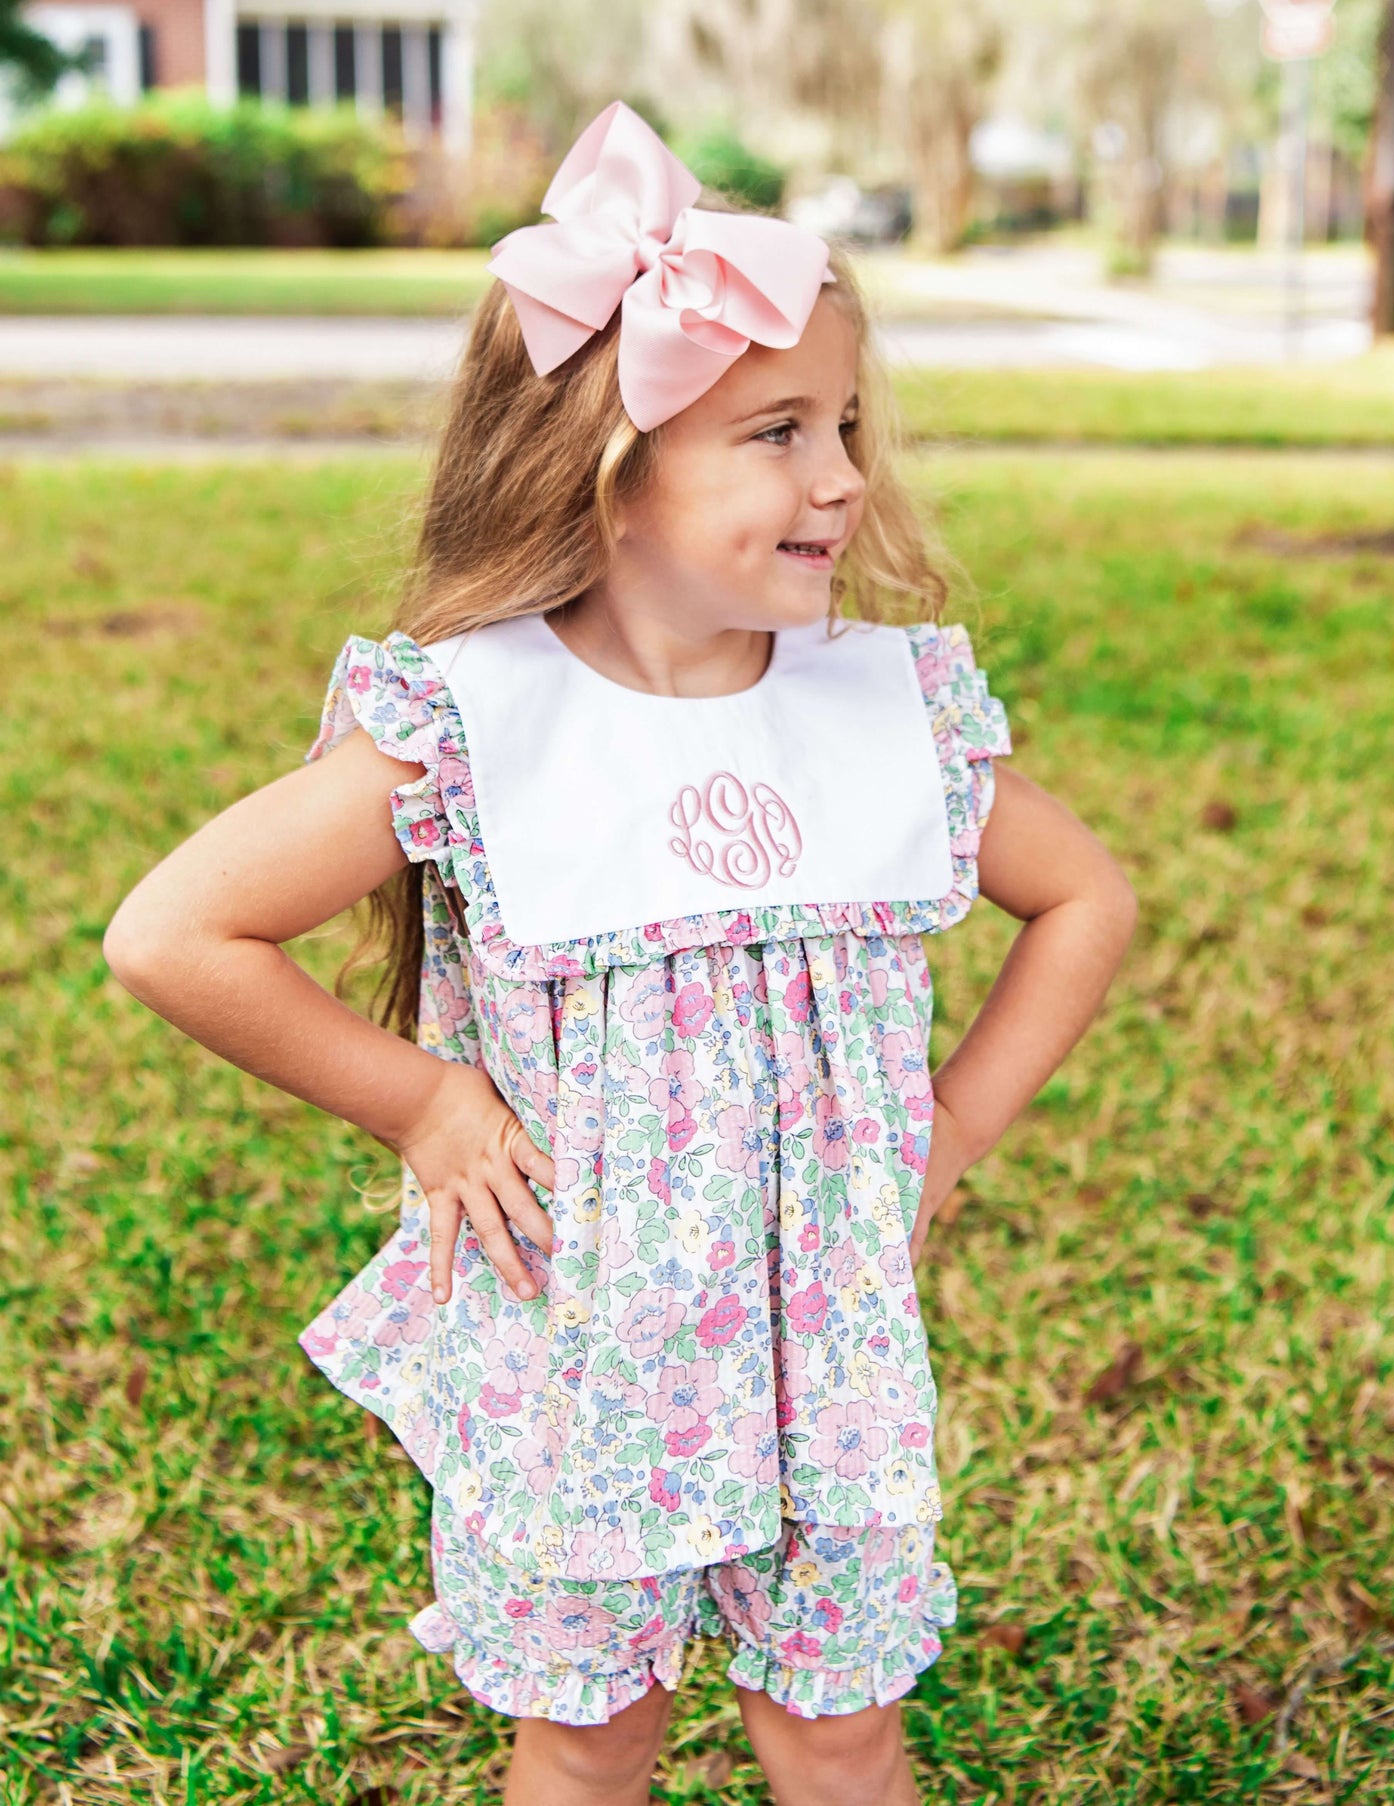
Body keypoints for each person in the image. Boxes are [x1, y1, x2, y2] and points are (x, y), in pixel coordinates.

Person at [104, 99, 1137, 1806]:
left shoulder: (886, 712)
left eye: (851, 423)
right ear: (605, 469)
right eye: (777, 430)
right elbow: (174, 931)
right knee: (589, 1738)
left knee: (840, 1723)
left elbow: (1084, 900)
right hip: (580, 1359)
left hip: (832, 1356)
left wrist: (947, 1127)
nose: (841, 477)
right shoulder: (473, 722)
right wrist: (423, 1101)